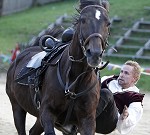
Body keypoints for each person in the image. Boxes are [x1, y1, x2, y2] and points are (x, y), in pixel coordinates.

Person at [96, 60, 145, 134]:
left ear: (134, 78)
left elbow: (133, 117)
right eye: (121, 71)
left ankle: (84, 120)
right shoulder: (108, 80)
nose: (121, 75)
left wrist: (126, 116)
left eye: (126, 73)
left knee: (106, 93)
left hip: (106, 125)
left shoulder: (135, 97)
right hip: (92, 114)